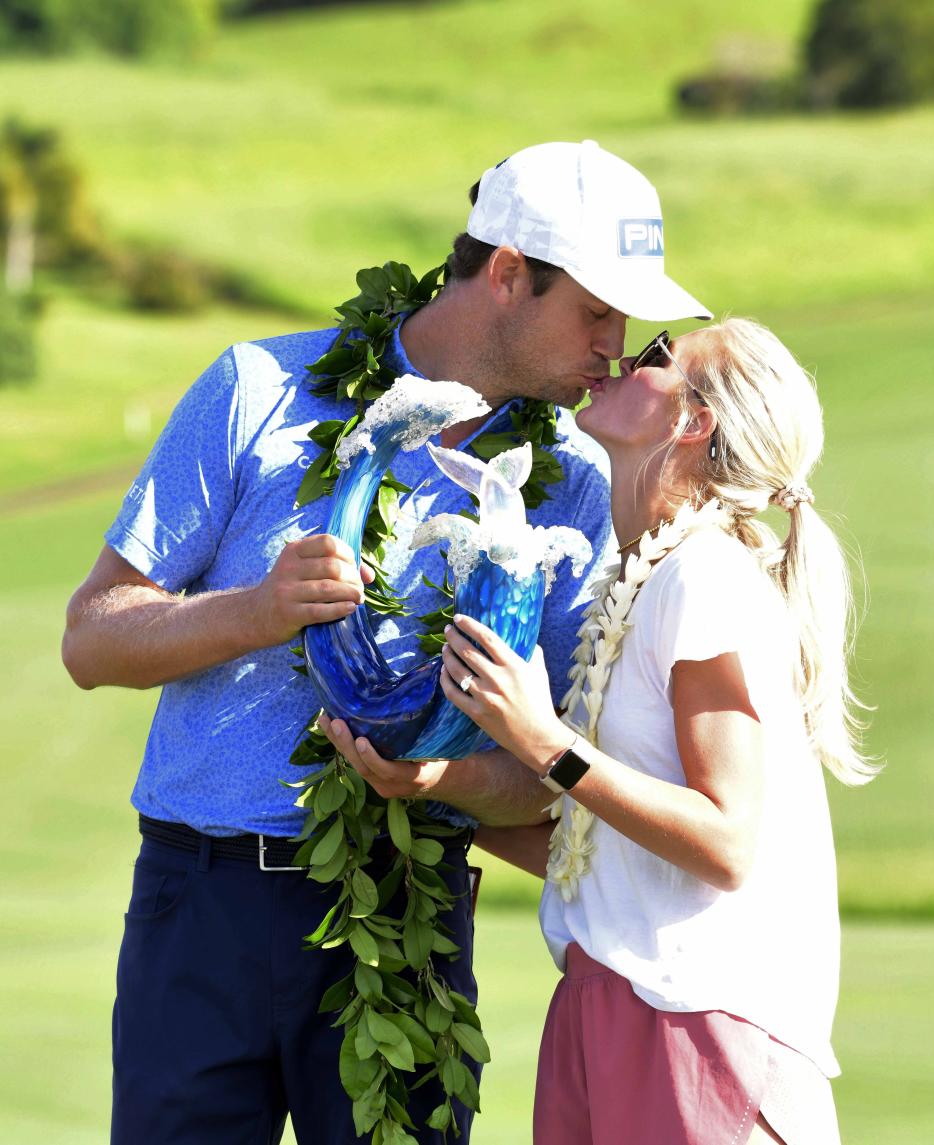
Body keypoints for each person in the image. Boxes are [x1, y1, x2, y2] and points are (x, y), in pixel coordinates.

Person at [61, 140, 711, 1144]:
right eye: (594, 309)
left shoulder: (580, 481)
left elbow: (558, 774)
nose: (617, 345)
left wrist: (444, 779)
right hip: (201, 903)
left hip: (407, 911)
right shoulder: (256, 391)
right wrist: (257, 608)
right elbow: (91, 639)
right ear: (505, 273)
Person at [326, 319, 876, 1144]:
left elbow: (726, 842)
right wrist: (437, 787)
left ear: (694, 423)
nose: (624, 356)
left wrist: (543, 741)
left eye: (658, 354)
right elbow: (603, 856)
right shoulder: (643, 577)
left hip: (697, 1025)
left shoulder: (705, 577)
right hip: (607, 1006)